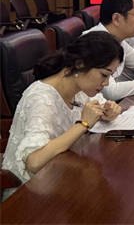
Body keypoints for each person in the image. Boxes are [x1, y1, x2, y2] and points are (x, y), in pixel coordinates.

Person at [1, 32, 124, 184]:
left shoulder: (80, 88)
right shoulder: (42, 98)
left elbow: (102, 107)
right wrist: (83, 124)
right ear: (80, 64)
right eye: (104, 75)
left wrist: (109, 111)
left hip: (64, 174)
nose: (106, 83)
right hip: (30, 189)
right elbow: (34, 163)